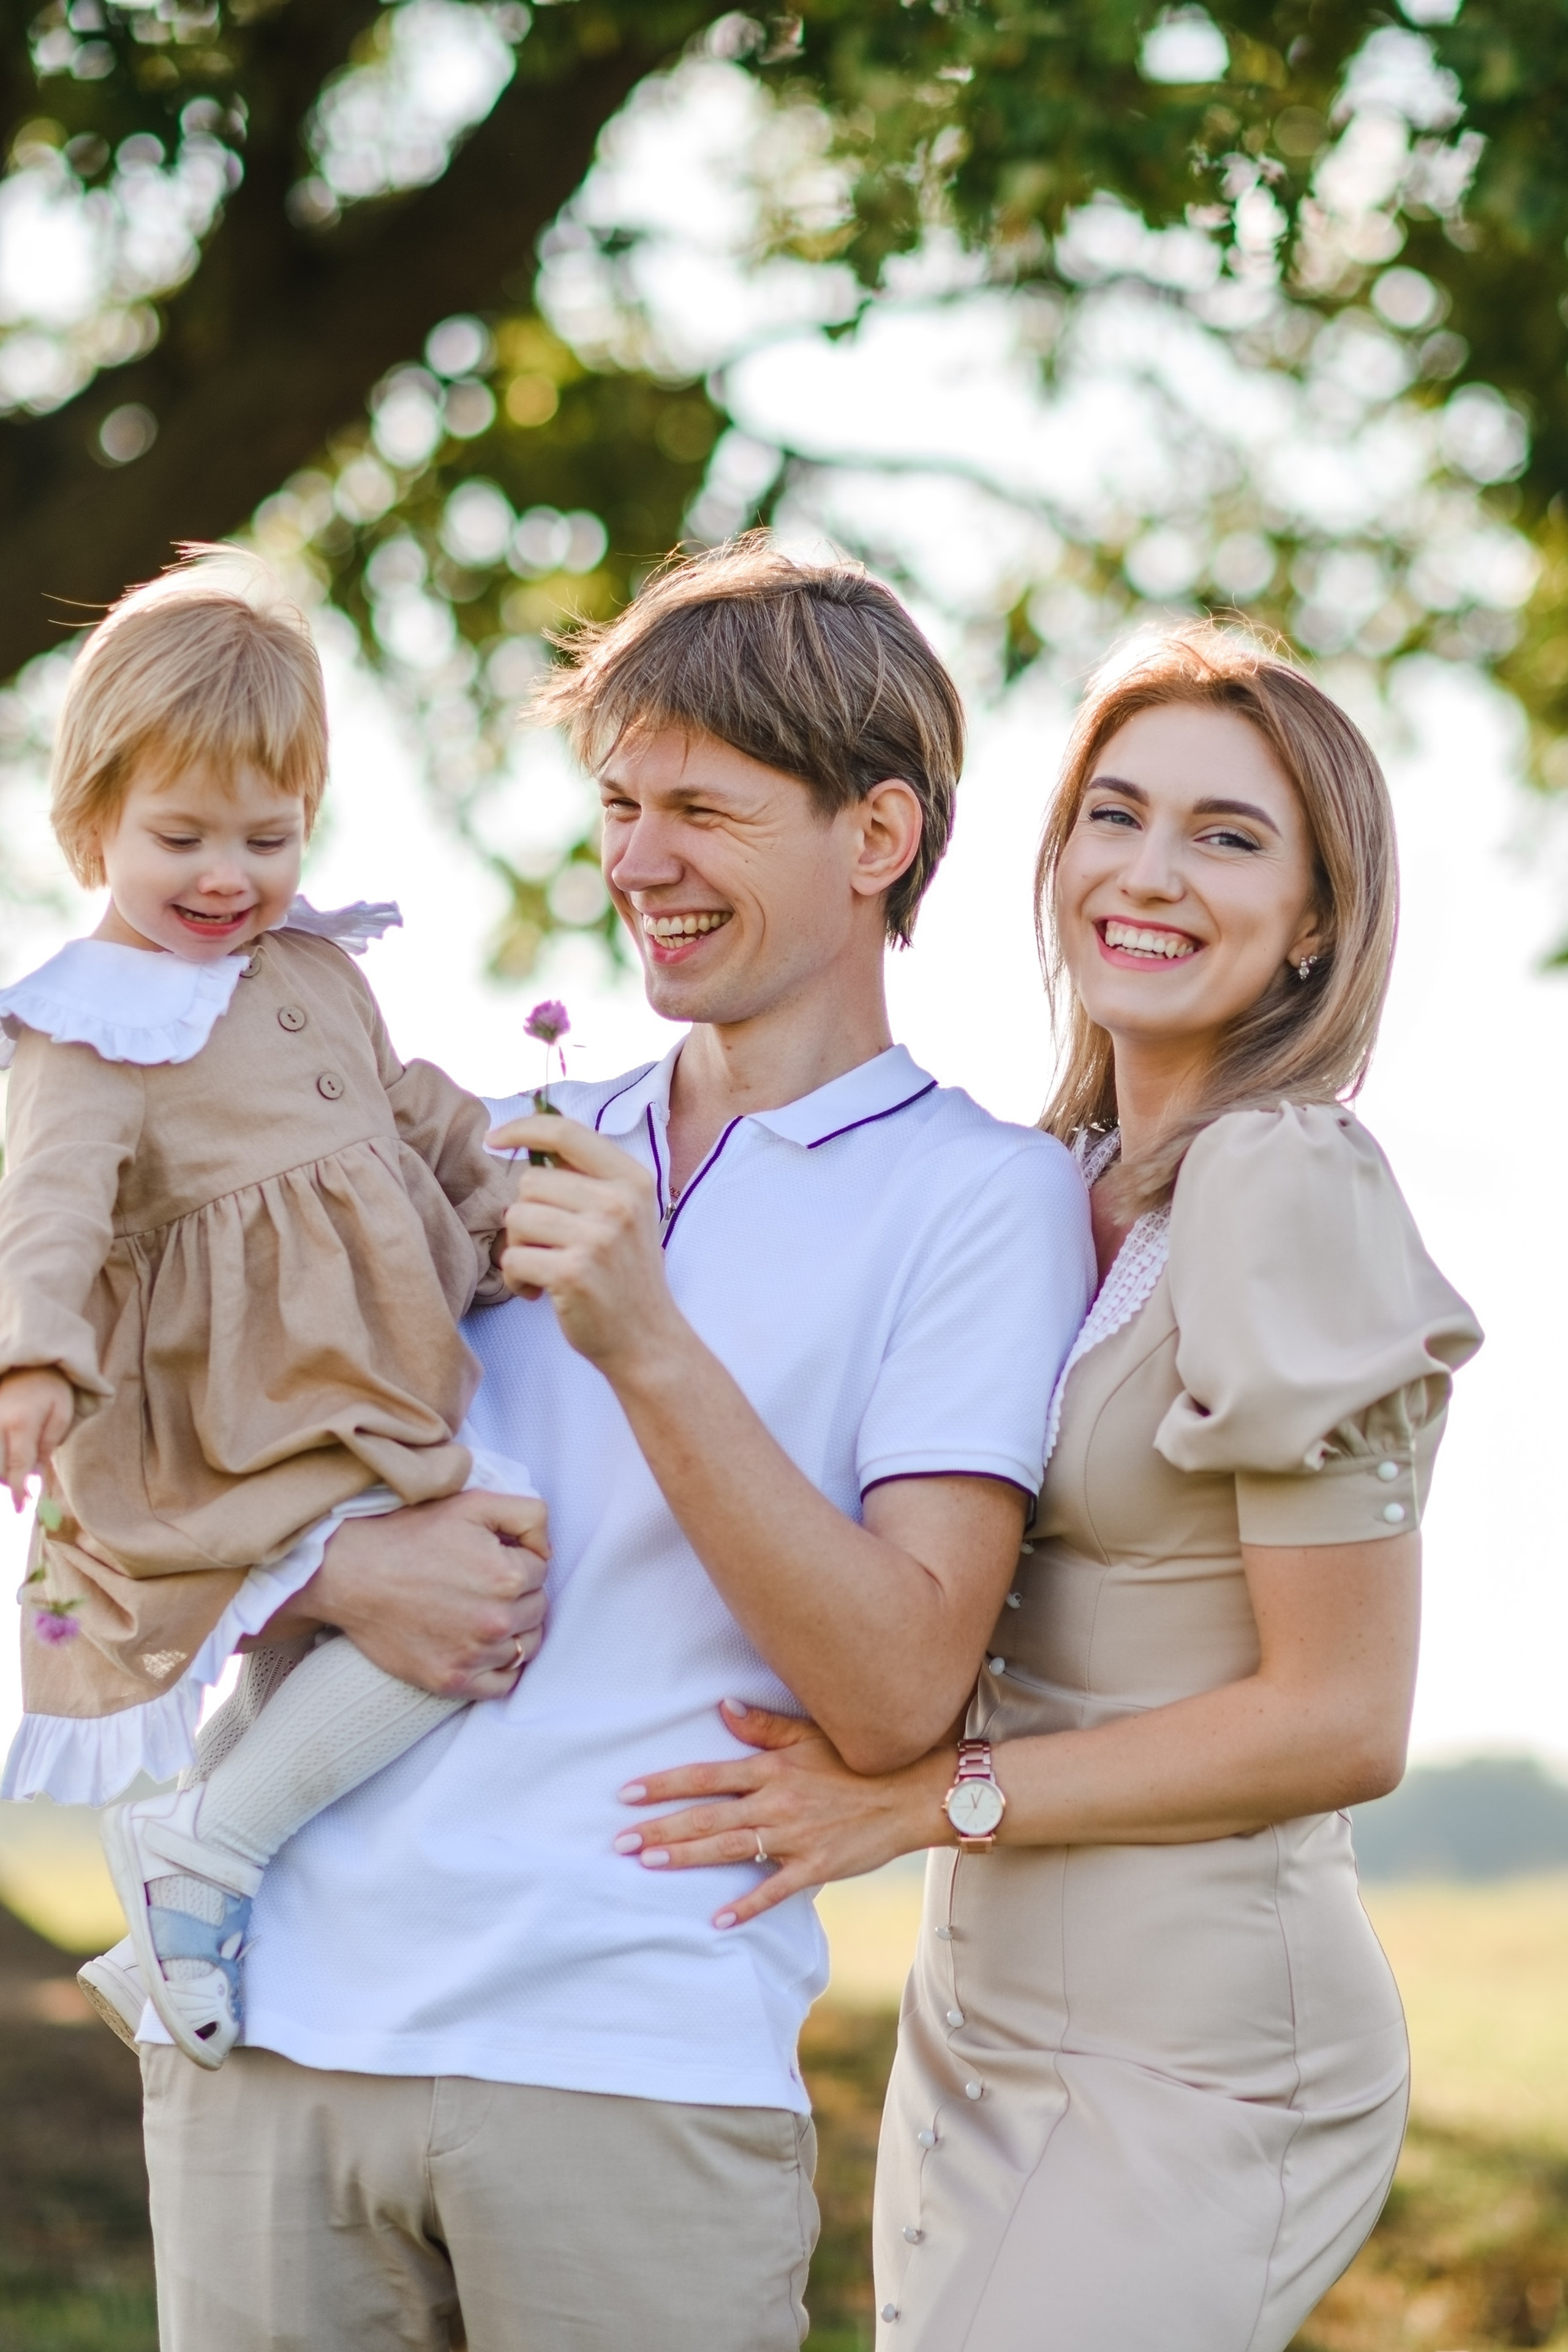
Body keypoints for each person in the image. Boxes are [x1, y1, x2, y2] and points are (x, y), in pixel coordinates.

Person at [132, 538, 1095, 2352]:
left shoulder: (985, 1200)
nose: (637, 862)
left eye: (703, 812)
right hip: (266, 2032)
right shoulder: (495, 1141)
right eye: (620, 805)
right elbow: (144, 1476)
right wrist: (334, 1570)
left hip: (627, 2064)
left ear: (878, 837)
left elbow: (900, 1688)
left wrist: (647, 1341)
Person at [617, 625, 1484, 2352]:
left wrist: (922, 1800)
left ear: (1315, 920)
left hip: (1202, 2042)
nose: (1147, 874)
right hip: (981, 2012)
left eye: (1226, 837)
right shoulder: (1044, 1182)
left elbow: (1340, 1720)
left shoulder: (1284, 1180)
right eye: (1113, 815)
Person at [0, 549, 543, 2068]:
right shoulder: (89, 1023)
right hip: (233, 1414)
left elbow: (411, 1113)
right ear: (92, 823)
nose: (226, 876)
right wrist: (29, 1361)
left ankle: (185, 1877)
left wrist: (508, 1202)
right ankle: (208, 1855)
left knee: (344, 1645)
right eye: (180, 837)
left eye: (269, 834)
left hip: (350, 1386)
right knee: (482, 1579)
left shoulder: (310, 966)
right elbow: (44, 1206)